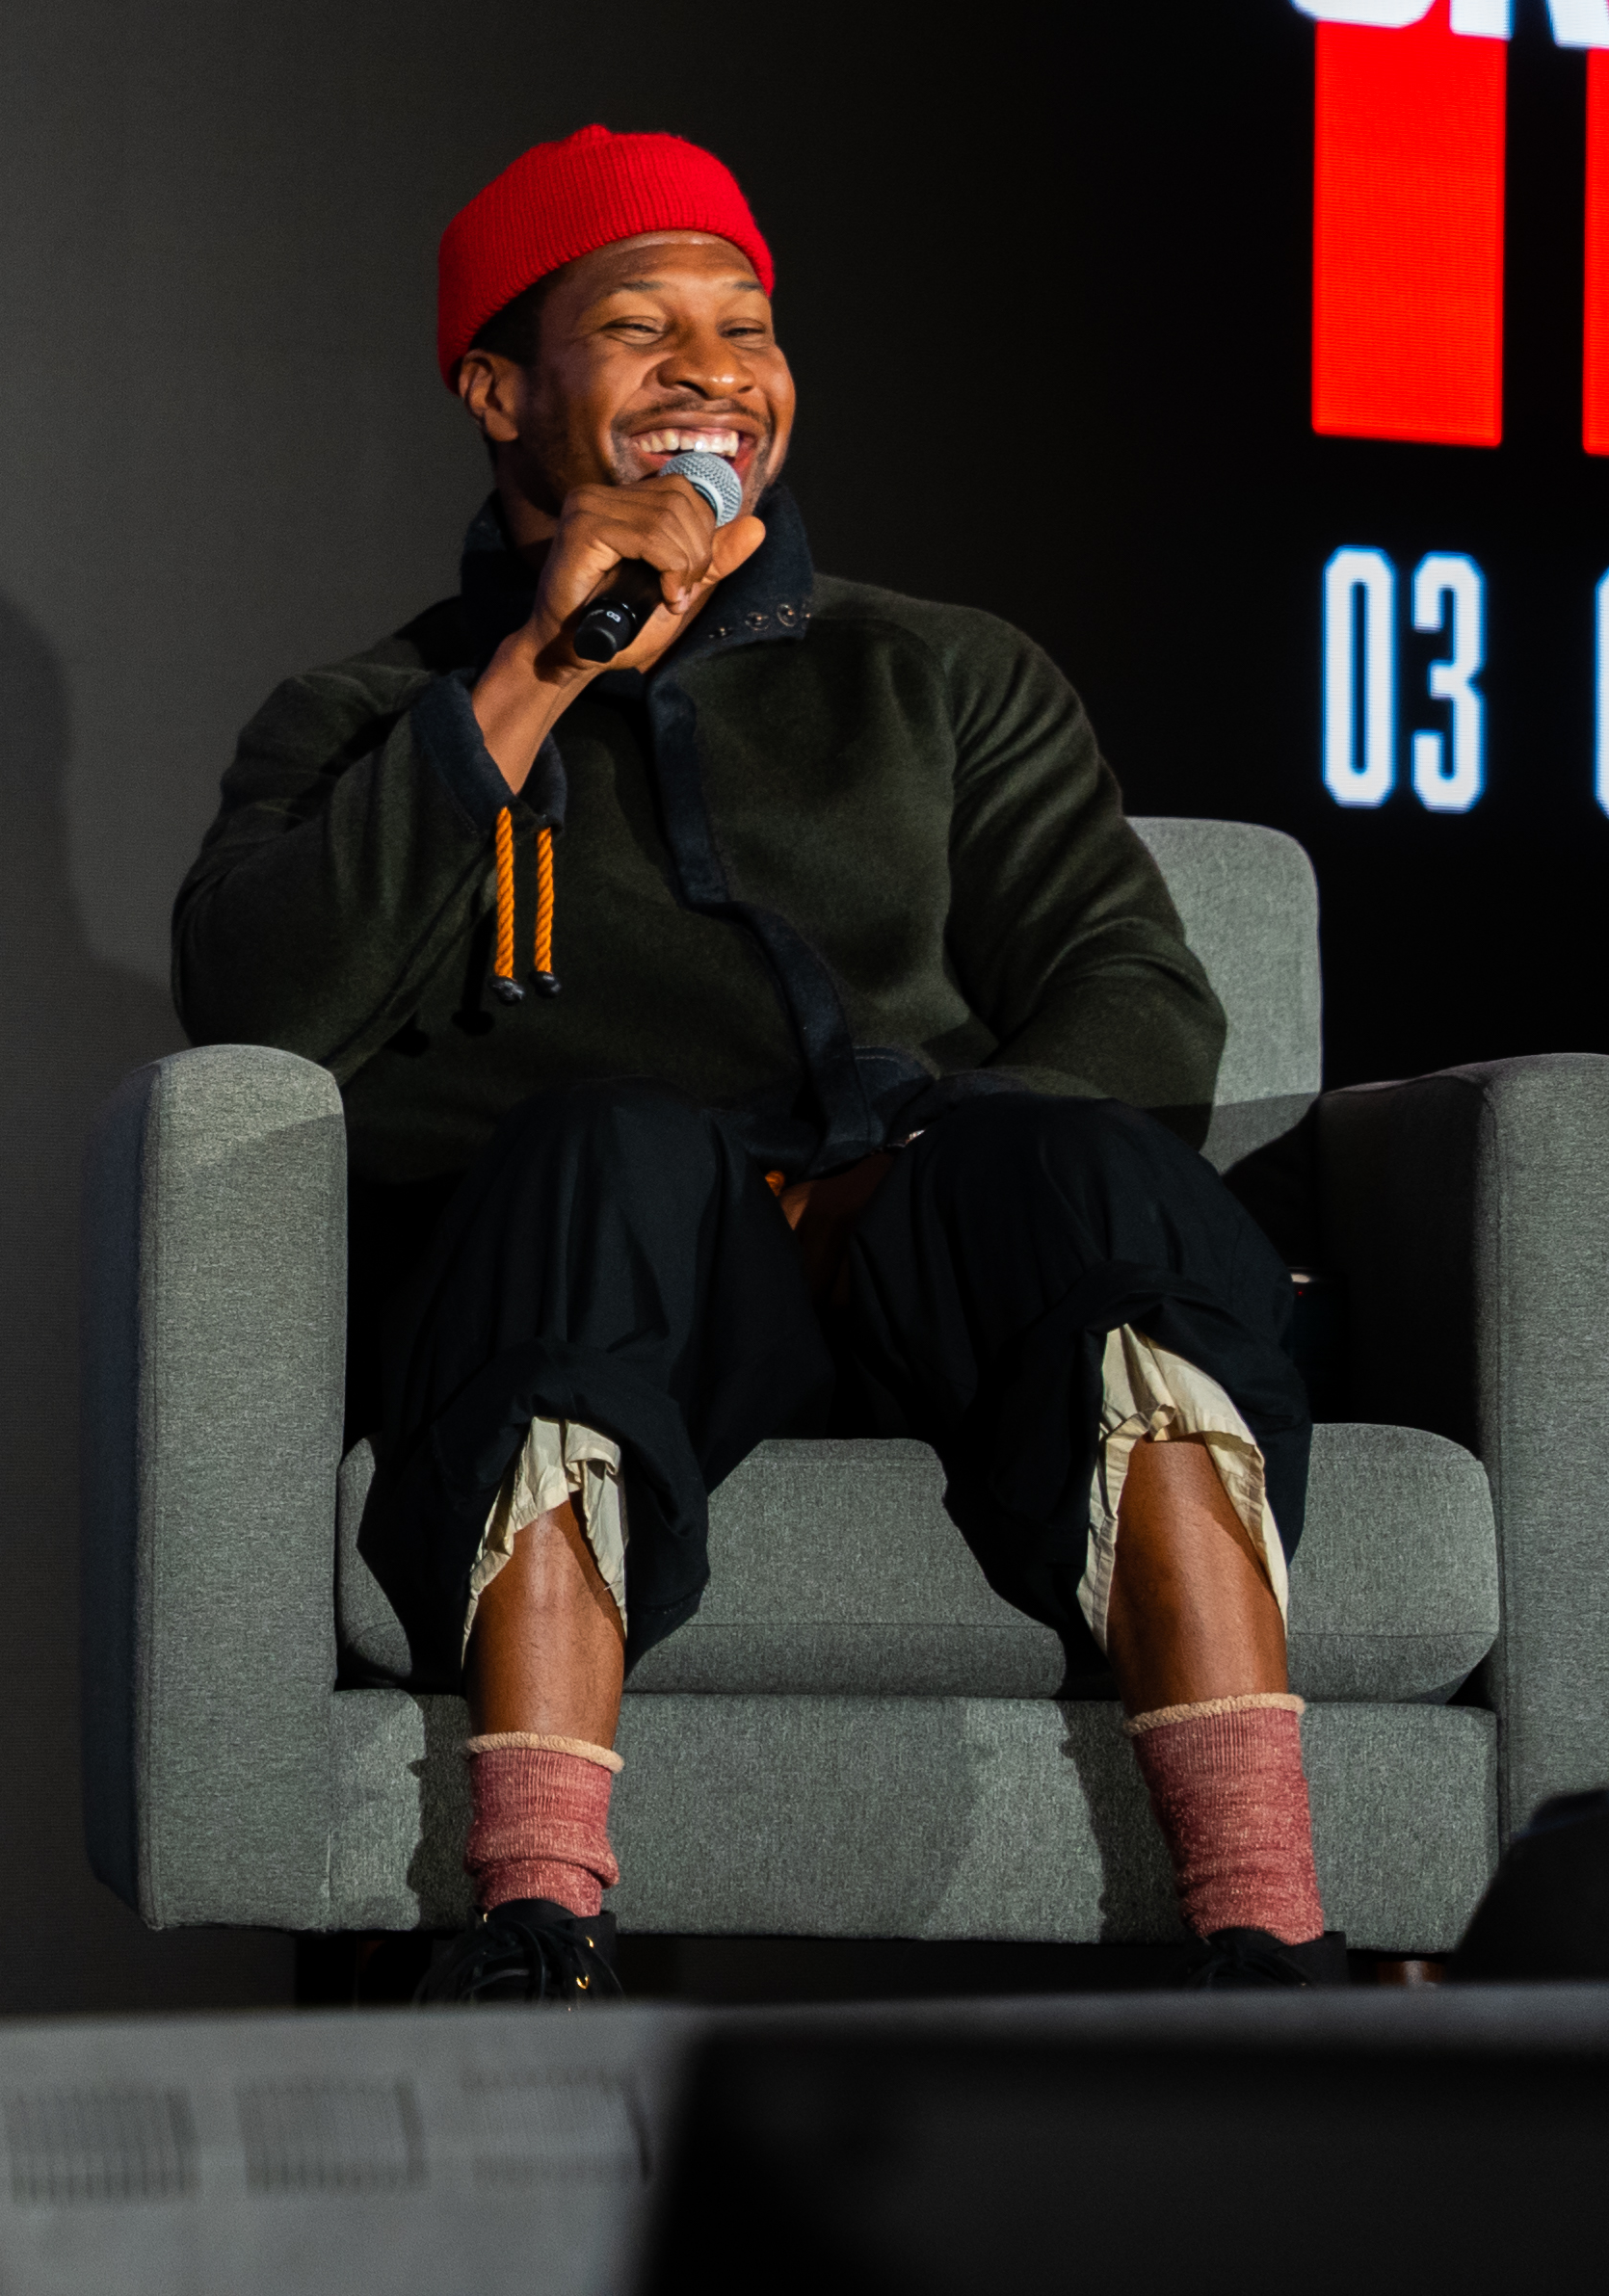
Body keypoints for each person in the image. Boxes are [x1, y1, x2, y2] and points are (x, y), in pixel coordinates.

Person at [175, 125, 1328, 2002]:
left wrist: (931, 1167)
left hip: (919, 1241)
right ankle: (534, 1923)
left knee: (1085, 1184)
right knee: (597, 1157)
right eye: (637, 327)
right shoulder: (367, 718)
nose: (712, 368)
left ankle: (1269, 1935)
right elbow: (255, 1011)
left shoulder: (940, 675)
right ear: (494, 388)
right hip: (607, 1261)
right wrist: (532, 674)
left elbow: (1132, 997)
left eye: (745, 325)